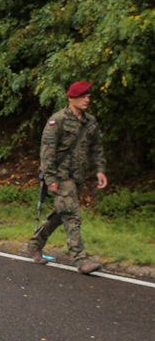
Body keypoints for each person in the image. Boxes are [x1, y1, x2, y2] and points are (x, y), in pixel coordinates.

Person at [27, 81, 107, 275]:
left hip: (78, 177)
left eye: (88, 96)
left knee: (60, 214)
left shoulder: (90, 122)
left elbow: (97, 147)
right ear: (72, 98)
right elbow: (47, 153)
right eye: (82, 96)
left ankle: (35, 244)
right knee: (72, 215)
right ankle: (81, 260)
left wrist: (99, 170)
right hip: (61, 177)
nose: (87, 100)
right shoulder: (58, 120)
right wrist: (51, 178)